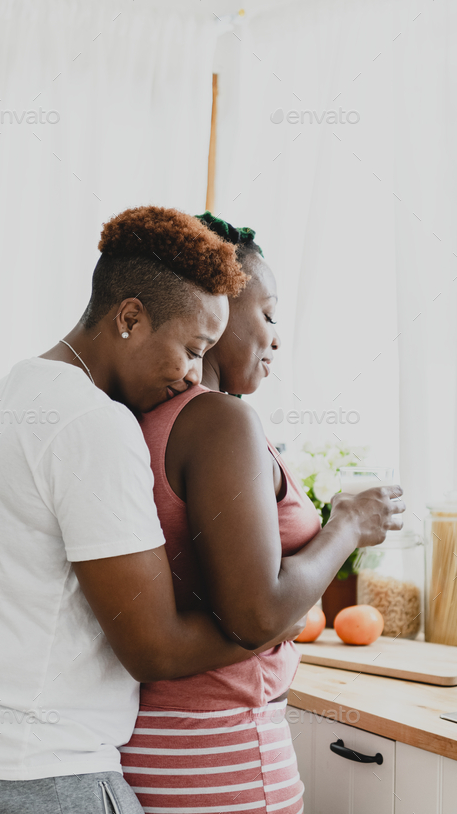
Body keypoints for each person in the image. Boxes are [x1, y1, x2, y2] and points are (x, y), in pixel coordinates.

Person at [0, 206, 272, 814]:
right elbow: (156, 650)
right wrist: (272, 623)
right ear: (130, 317)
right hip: (28, 776)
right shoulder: (95, 424)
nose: (196, 376)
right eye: (192, 349)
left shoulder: (6, 393)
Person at [120, 212, 405, 814]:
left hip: (146, 747)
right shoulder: (220, 421)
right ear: (214, 307)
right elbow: (255, 614)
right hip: (222, 753)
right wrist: (347, 524)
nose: (278, 337)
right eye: (270, 315)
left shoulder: (146, 420)